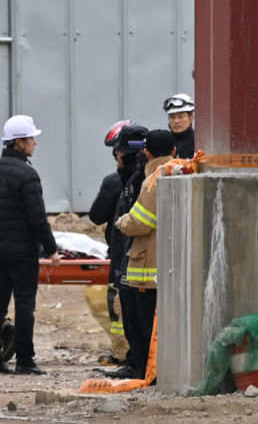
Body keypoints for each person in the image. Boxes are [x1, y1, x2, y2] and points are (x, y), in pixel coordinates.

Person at [0, 114, 62, 375]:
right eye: (31, 139)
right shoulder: (28, 175)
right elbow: (37, 218)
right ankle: (25, 360)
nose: (35, 143)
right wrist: (52, 249)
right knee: (24, 305)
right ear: (19, 142)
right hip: (23, 254)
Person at [114, 129, 176, 379]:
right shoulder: (182, 171)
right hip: (170, 263)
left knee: (147, 324)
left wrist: (121, 222)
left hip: (148, 268)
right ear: (174, 151)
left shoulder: (154, 179)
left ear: (147, 152)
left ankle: (150, 373)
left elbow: (140, 222)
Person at [87, 120, 143, 366]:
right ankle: (138, 355)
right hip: (145, 254)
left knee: (119, 303)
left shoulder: (114, 182)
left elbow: (96, 216)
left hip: (121, 251)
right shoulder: (153, 177)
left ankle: (123, 353)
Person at [162, 93, 195, 159]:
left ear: (191, 118)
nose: (176, 121)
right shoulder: (163, 142)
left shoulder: (198, 142)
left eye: (180, 116)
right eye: (172, 117)